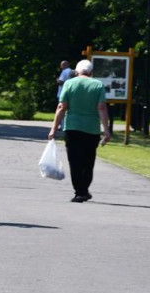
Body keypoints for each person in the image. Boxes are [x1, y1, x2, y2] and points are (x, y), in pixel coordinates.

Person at [48, 59, 112, 203]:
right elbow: (101, 108)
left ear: (76, 72)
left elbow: (61, 107)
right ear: (91, 72)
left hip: (72, 128)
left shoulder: (69, 84)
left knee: (75, 161)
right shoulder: (98, 85)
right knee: (88, 161)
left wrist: (53, 129)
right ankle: (84, 189)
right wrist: (106, 131)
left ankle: (79, 192)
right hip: (91, 129)